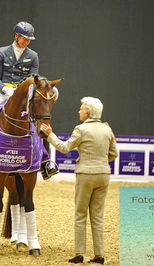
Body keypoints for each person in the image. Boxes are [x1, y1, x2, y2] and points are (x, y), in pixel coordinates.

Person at [0, 21, 58, 179]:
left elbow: (33, 80)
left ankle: (47, 163)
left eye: (29, 39)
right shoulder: (2, 53)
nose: (27, 41)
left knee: (40, 124)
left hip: (24, 96)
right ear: (16, 36)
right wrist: (5, 89)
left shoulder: (33, 56)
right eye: (24, 38)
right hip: (4, 93)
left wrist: (23, 92)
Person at [40, 97, 118, 264]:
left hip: (86, 175)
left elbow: (64, 148)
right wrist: (100, 160)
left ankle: (79, 254)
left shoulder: (81, 129)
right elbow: (114, 154)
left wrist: (49, 135)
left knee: (80, 214)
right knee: (97, 216)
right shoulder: (107, 130)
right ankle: (99, 255)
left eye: (81, 109)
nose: (79, 111)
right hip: (103, 174)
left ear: (88, 112)